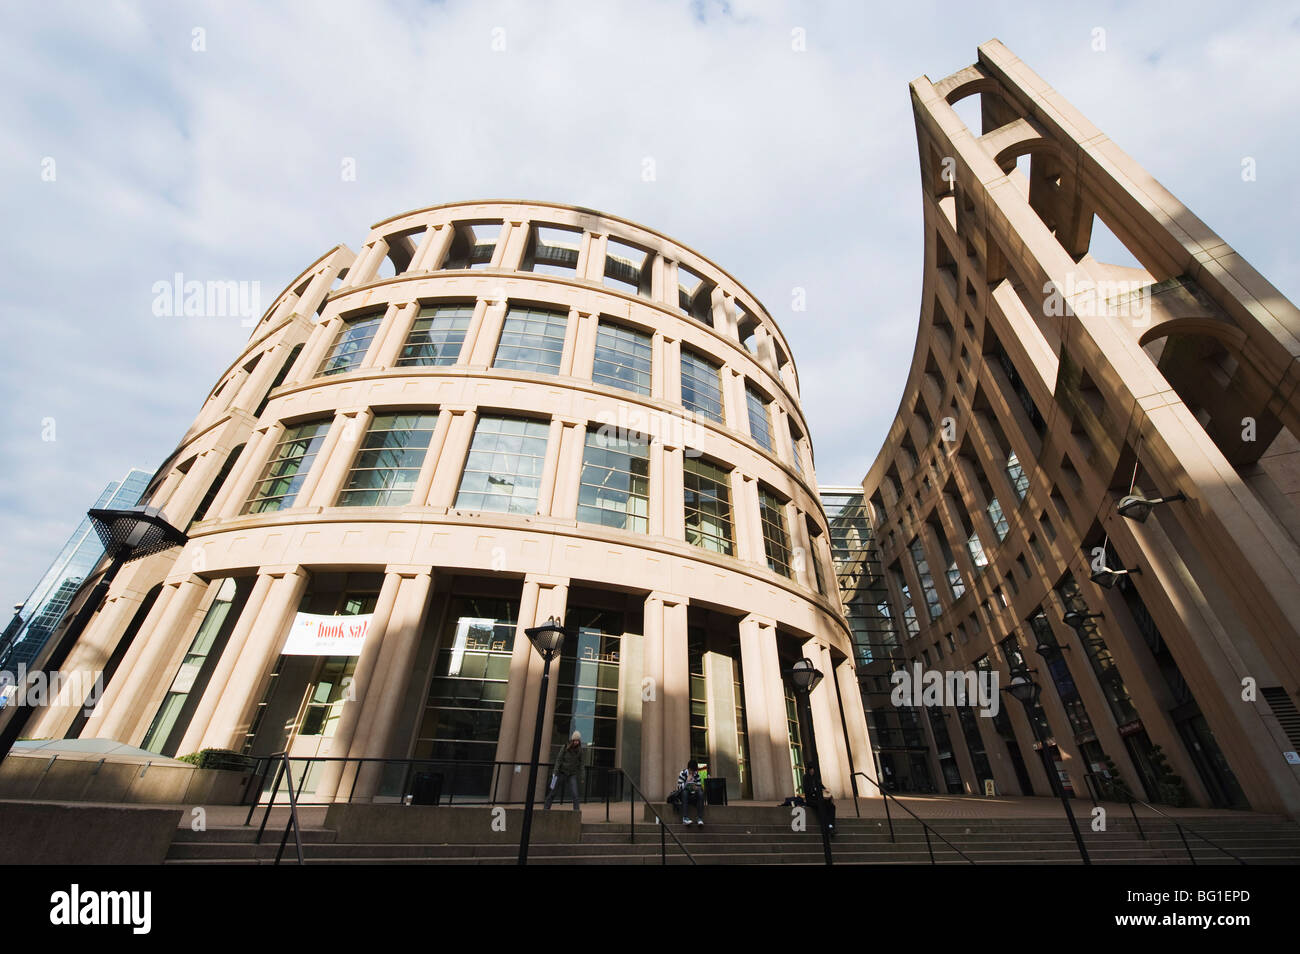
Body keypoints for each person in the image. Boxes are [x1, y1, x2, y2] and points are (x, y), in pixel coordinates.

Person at [544, 730, 584, 811]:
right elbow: (558, 760)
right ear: (572, 740)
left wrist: (582, 776)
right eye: (575, 740)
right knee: (553, 792)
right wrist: (555, 772)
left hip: (572, 774)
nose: (576, 742)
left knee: (575, 794)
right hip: (561, 773)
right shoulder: (565, 747)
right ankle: (546, 809)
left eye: (578, 741)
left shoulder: (580, 751)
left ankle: (576, 811)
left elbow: (582, 765)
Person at [677, 759, 705, 826]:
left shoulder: (696, 775)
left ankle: (699, 818)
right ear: (688, 768)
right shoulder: (682, 773)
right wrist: (687, 782)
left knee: (700, 793)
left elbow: (700, 786)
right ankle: (685, 818)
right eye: (691, 771)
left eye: (694, 771)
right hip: (684, 797)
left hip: (693, 797)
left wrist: (696, 788)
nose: (692, 773)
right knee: (685, 792)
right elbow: (679, 788)